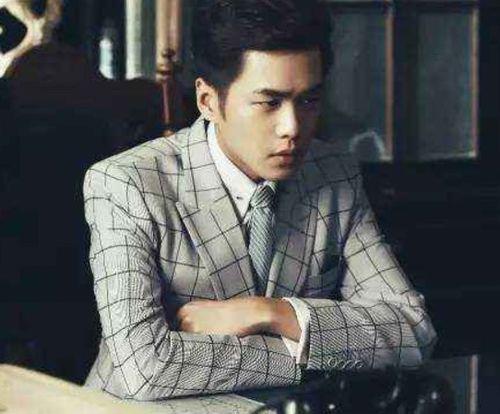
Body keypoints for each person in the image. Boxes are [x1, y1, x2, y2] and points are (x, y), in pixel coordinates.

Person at [83, 0, 437, 400]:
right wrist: (316, 352)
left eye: (308, 100)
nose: (292, 128)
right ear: (208, 101)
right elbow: (145, 368)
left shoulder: (333, 172)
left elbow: (412, 329)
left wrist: (267, 312)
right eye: (269, 103)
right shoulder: (126, 184)